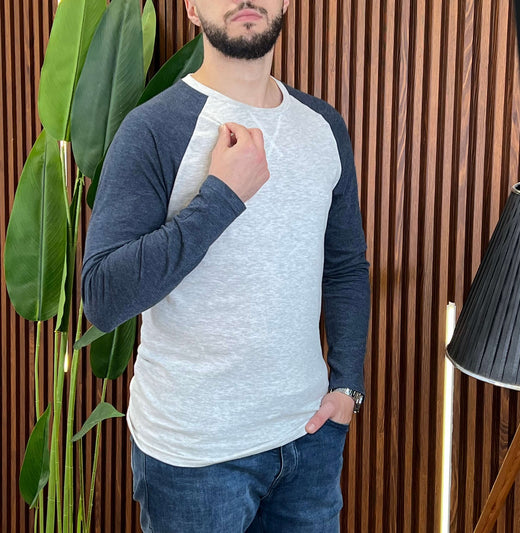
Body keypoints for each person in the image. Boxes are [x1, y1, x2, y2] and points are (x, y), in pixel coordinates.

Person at [81, 1, 370, 531]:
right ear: (192, 8)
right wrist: (220, 198)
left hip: (308, 440)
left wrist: (347, 384)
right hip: (193, 459)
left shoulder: (323, 126)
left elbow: (346, 266)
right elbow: (102, 298)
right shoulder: (154, 128)